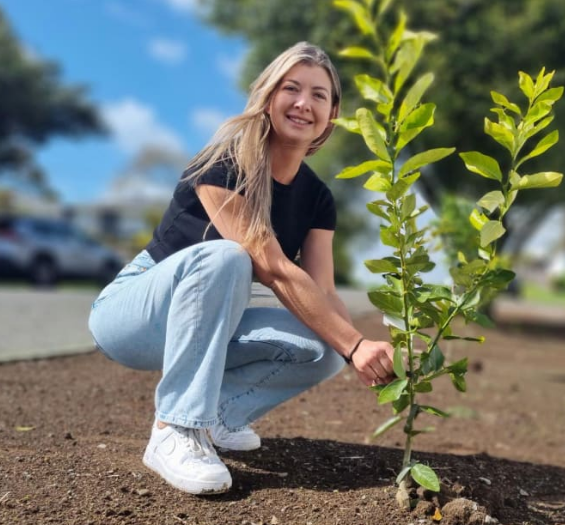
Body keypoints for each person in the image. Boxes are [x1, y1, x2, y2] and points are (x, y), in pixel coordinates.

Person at [88, 42, 395, 496]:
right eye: (291, 88)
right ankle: (175, 428)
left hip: (210, 321)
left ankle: (218, 416)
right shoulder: (224, 162)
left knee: (326, 345)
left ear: (331, 115)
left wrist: (360, 351)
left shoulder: (317, 198)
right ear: (268, 97)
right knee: (228, 254)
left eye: (319, 95)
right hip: (133, 317)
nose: (303, 103)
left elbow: (324, 291)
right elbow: (269, 264)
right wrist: (355, 345)